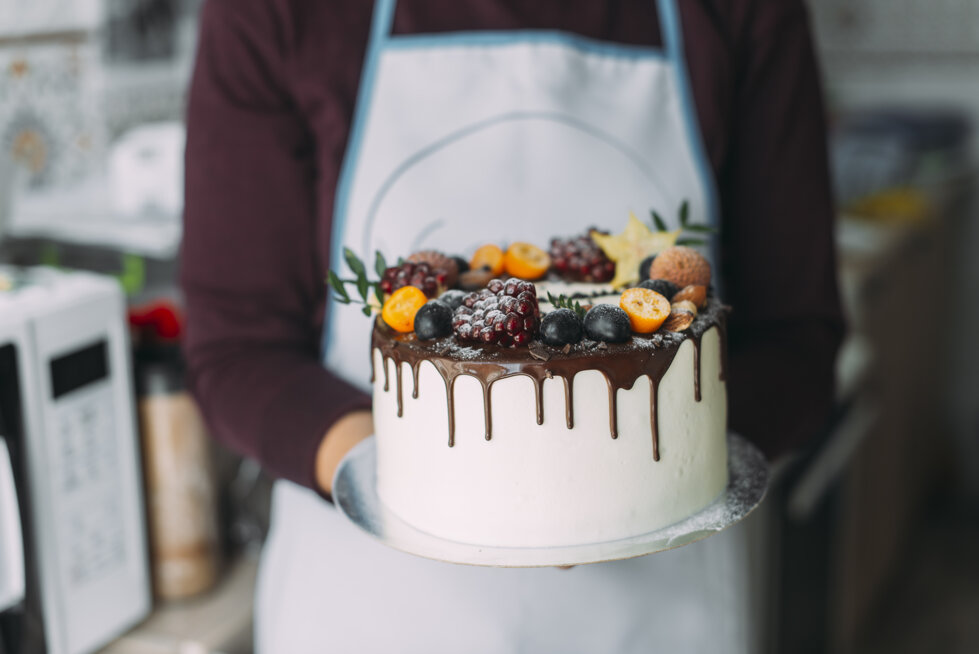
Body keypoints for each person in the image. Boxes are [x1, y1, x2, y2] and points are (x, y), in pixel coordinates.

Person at [181, 0, 844, 651]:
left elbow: (798, 341)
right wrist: (411, 472)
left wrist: (634, 478)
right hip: (370, 610)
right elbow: (237, 347)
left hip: (659, 616)